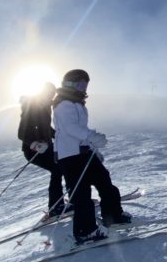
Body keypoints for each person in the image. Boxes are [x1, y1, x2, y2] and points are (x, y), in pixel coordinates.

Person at [53, 69, 131, 243]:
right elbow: (70, 128)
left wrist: (94, 149)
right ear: (70, 84)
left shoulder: (78, 104)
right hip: (70, 156)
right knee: (81, 194)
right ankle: (85, 231)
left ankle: (112, 216)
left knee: (104, 181)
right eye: (81, 84)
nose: (84, 88)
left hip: (84, 153)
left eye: (86, 84)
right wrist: (92, 136)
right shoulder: (64, 104)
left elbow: (79, 132)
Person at [18, 81, 70, 218]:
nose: (50, 96)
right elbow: (21, 133)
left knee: (66, 165)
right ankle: (56, 207)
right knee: (57, 169)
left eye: (52, 94)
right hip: (34, 150)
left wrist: (60, 135)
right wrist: (34, 144)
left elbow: (46, 128)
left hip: (47, 147)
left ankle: (71, 200)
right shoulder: (31, 107)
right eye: (48, 93)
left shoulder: (46, 107)